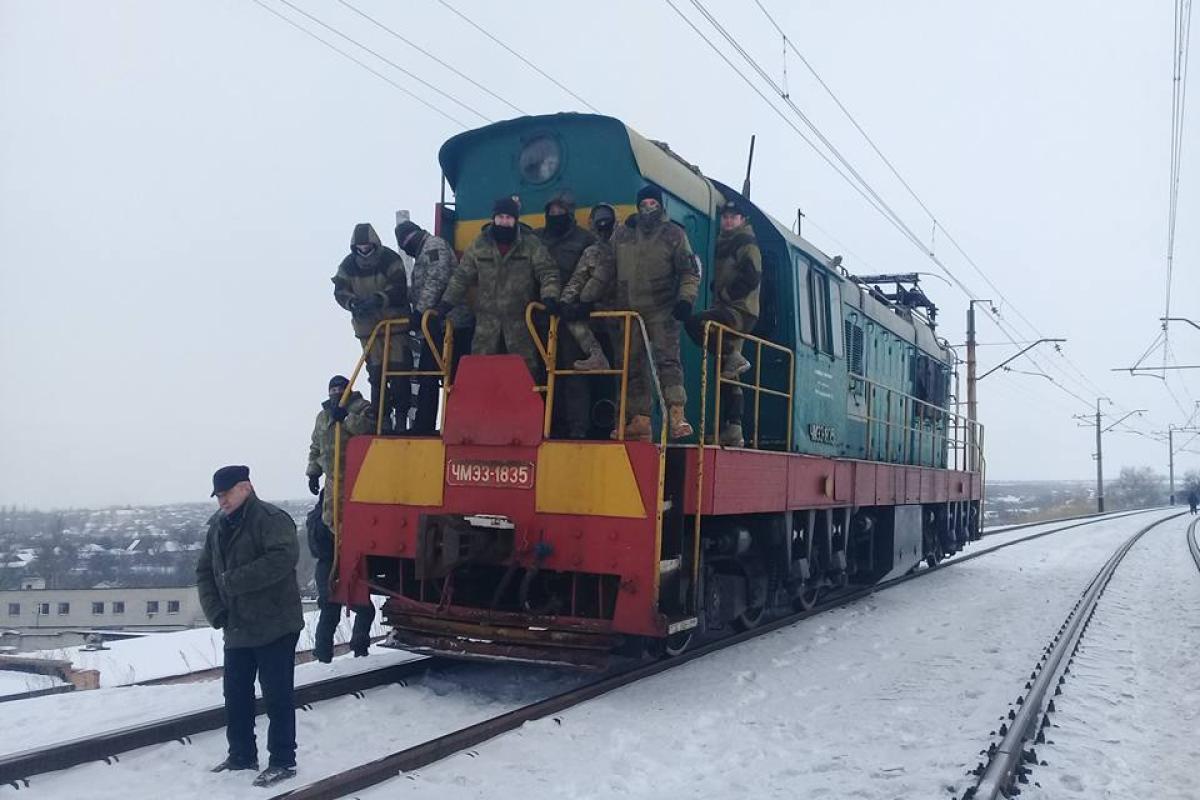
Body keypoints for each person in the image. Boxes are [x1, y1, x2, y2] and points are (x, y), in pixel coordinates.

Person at [196, 465, 303, 788]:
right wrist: (216, 610)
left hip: (275, 624)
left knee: (277, 695)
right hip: (238, 626)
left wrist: (234, 582)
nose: (222, 501)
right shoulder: (217, 526)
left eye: (226, 494)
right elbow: (204, 571)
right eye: (218, 496)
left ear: (246, 488)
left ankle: (283, 760)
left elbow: (283, 559)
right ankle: (241, 754)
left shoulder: (271, 520)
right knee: (236, 694)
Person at [610, 184, 701, 440]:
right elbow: (609, 269)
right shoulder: (623, 234)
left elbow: (689, 271)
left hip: (663, 309)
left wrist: (685, 300)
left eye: (652, 204)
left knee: (668, 363)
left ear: (660, 206)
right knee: (631, 365)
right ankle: (640, 420)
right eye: (643, 204)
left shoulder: (674, 234)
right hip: (629, 311)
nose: (648, 208)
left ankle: (677, 416)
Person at [438, 197, 560, 381]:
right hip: (486, 326)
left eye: (509, 217)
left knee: (525, 375)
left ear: (516, 220)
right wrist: (445, 303)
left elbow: (548, 271)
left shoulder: (530, 244)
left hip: (520, 324)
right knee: (481, 374)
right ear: (493, 218)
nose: (504, 221)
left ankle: (523, 409)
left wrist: (550, 296)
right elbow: (461, 277)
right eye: (500, 217)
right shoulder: (479, 245)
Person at [685, 198, 762, 447]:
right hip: (728, 307)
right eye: (726, 216)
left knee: (696, 323)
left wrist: (726, 294)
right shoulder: (722, 243)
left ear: (742, 220)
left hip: (740, 311)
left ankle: (732, 355)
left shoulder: (745, 243)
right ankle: (734, 429)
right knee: (726, 370)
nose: (728, 220)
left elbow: (751, 277)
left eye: (733, 216)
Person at [394, 220, 474, 435]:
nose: (406, 246)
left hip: (452, 324)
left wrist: (420, 311)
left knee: (448, 377)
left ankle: (450, 425)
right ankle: (426, 425)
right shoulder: (423, 252)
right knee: (429, 375)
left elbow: (437, 279)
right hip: (436, 326)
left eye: (406, 241)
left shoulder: (433, 247)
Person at [332, 223, 411, 433]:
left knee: (399, 373)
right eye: (360, 248)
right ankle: (381, 419)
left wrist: (379, 299)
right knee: (376, 376)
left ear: (374, 244)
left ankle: (401, 418)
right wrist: (353, 304)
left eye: (367, 246)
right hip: (368, 331)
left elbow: (399, 287)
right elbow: (339, 290)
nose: (364, 251)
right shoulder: (347, 266)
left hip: (394, 327)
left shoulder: (390, 259)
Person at [534, 191, 598, 439]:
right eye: (552, 211)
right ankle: (542, 425)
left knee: (573, 373)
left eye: (561, 211)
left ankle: (577, 429)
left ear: (570, 214)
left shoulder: (586, 240)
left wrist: (582, 304)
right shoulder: (536, 238)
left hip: (573, 318)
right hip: (538, 318)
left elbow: (594, 274)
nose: (555, 215)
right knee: (540, 373)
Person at [306, 493, 375, 662]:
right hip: (342, 564)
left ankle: (323, 655)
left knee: (329, 611)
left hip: (325, 567)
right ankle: (359, 650)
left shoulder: (314, 519)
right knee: (365, 610)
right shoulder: (334, 518)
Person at [306, 375, 375, 527]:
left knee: (357, 519)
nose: (337, 392)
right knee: (331, 518)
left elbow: (369, 429)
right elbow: (316, 446)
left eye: (341, 389)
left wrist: (346, 418)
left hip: (358, 476)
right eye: (333, 389)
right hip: (333, 478)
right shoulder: (323, 416)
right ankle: (340, 548)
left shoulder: (362, 407)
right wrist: (313, 473)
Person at [560, 202, 618, 373]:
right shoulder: (591, 252)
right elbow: (578, 279)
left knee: (627, 364)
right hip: (599, 311)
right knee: (572, 320)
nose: (602, 226)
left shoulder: (626, 248)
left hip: (624, 310)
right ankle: (596, 355)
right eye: (598, 222)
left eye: (606, 221)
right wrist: (564, 303)